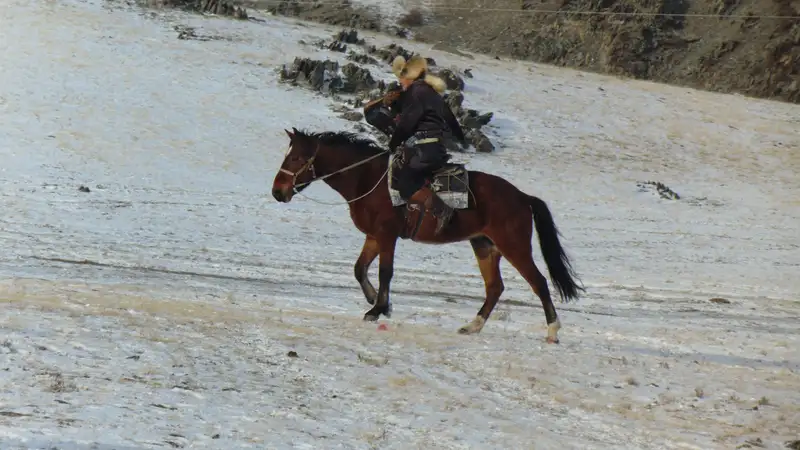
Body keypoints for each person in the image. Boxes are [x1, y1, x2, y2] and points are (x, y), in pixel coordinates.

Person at [388, 54, 466, 235]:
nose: (400, 82)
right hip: (434, 147)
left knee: (405, 182)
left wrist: (393, 143)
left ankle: (442, 210)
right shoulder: (430, 92)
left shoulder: (416, 93)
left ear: (409, 77)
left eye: (402, 78)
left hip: (426, 150)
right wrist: (460, 137)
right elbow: (449, 117)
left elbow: (407, 122)